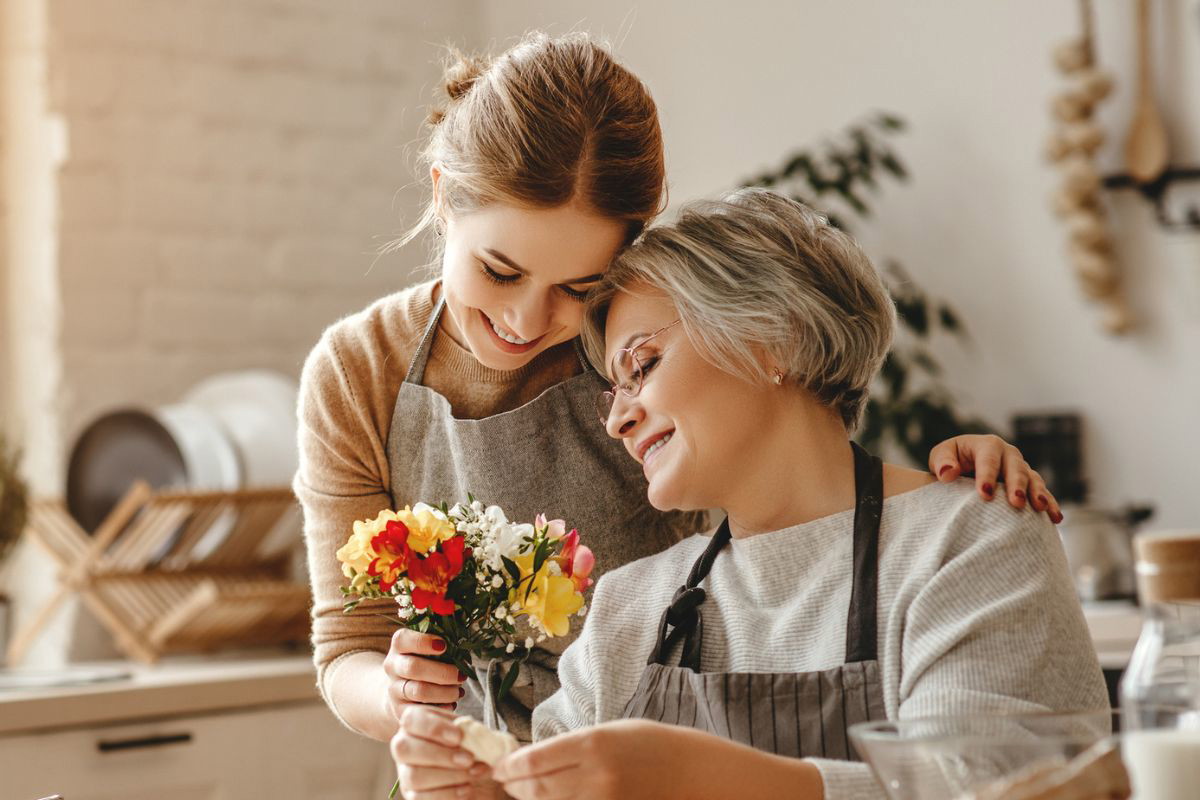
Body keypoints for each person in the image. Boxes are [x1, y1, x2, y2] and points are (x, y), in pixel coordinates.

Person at [295, 32, 1061, 758]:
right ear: (441, 198)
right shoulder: (360, 374)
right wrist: (408, 700)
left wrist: (938, 497)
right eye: (499, 271)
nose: (528, 321)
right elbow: (347, 646)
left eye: (579, 287)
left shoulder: (646, 336)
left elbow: (793, 496)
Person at [390, 190, 1107, 800]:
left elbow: (996, 786)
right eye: (612, 388)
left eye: (643, 364)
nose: (617, 417)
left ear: (774, 338)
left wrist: (721, 781)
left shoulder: (970, 542)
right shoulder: (628, 608)